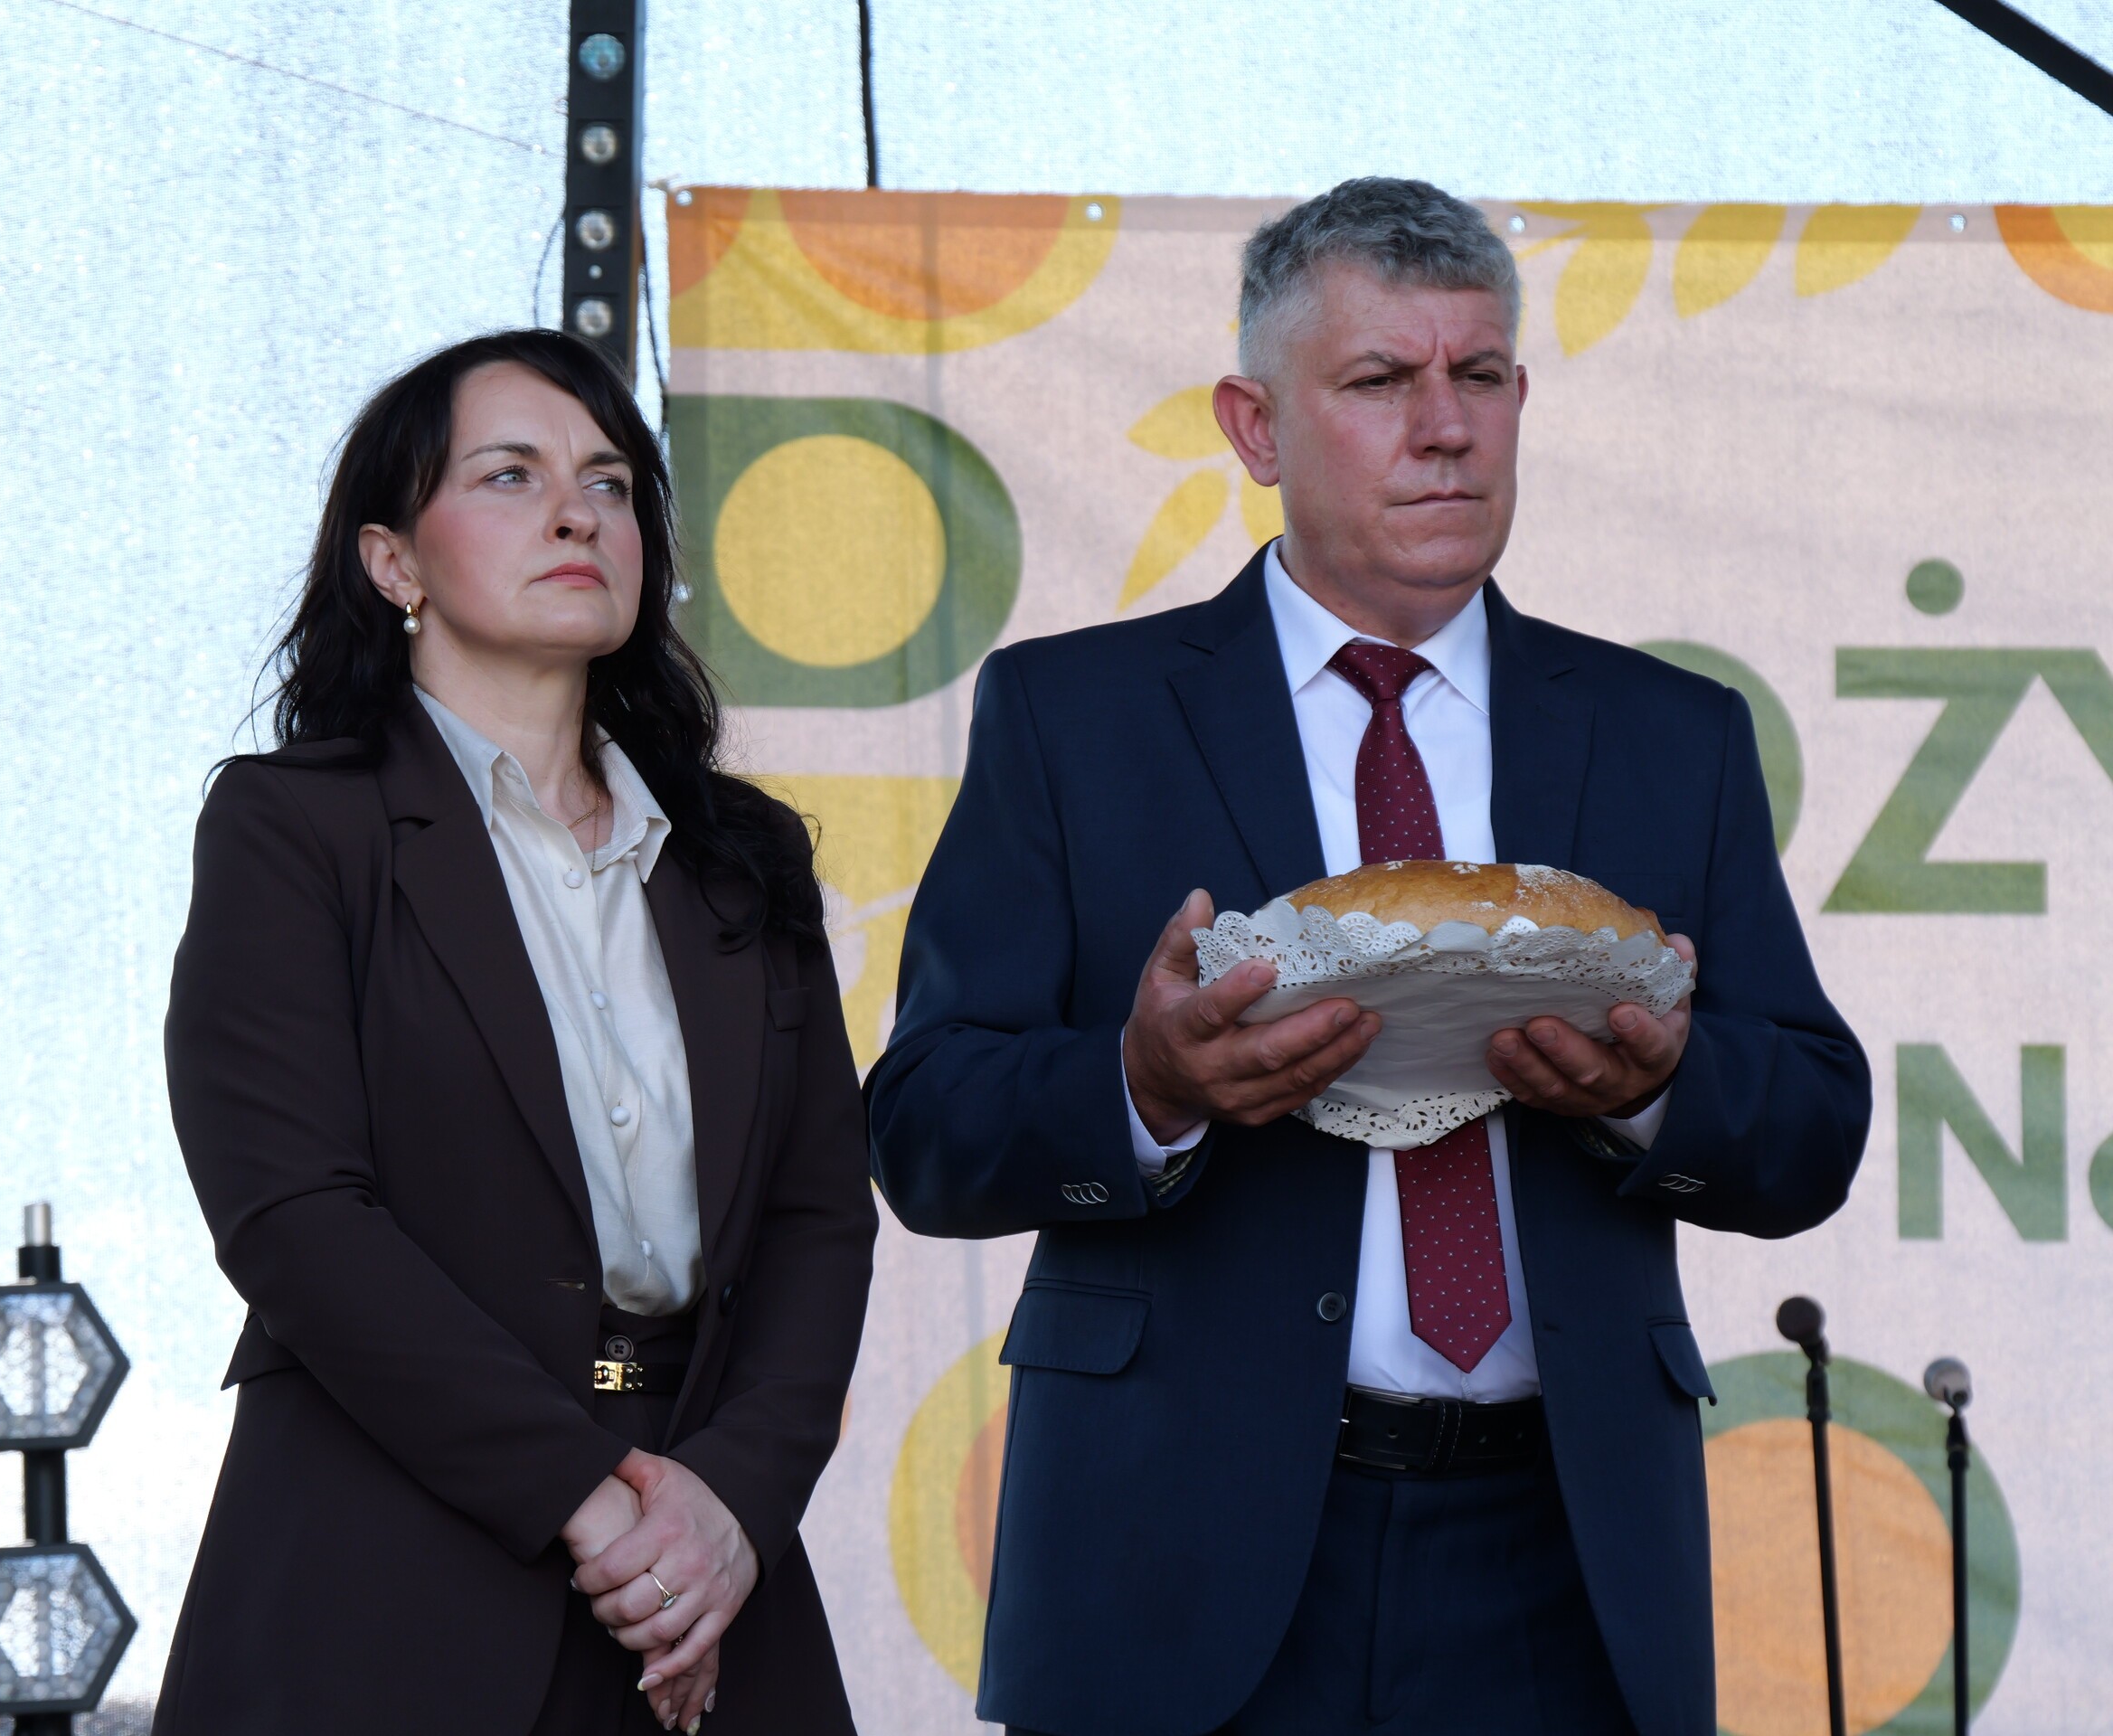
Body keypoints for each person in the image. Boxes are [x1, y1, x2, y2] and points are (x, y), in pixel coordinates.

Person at [868, 179, 1870, 1736]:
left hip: (1565, 1565)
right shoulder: (1075, 717)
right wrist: (1145, 1090)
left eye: (1481, 376)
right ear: (1255, 428)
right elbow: (927, 1129)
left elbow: (1811, 1124)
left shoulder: (1670, 735)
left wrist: (1656, 1091)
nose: (1446, 428)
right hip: (1177, 1554)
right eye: (1382, 380)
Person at [156, 329, 875, 1736]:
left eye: (610, 484)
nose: (577, 513)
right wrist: (586, 1503)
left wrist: (733, 1508)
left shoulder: (740, 858)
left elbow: (818, 1219)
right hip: (387, 1570)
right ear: (394, 563)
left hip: (709, 1568)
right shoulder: (292, 827)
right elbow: (295, 1216)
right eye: (510, 475)